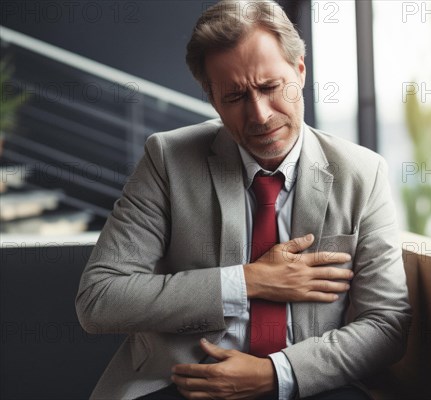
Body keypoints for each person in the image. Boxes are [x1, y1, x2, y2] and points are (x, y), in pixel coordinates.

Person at [75, 1, 411, 399]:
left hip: (307, 383)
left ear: (299, 71)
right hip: (184, 383)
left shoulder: (362, 172)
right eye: (235, 97)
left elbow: (386, 322)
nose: (260, 115)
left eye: (270, 87)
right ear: (213, 100)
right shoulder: (167, 159)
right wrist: (248, 281)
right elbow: (99, 300)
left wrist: (276, 372)